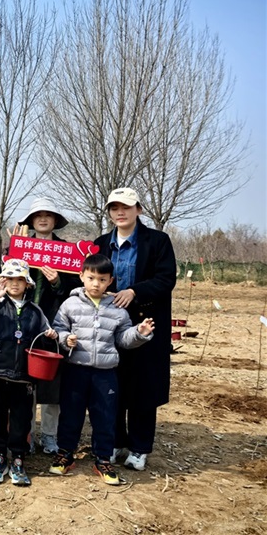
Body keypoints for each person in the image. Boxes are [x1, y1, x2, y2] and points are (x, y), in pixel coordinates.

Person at [49, 254, 155, 485]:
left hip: (105, 374)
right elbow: (58, 328)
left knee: (105, 417)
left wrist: (140, 333)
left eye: (102, 279)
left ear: (110, 281)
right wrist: (66, 339)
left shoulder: (117, 308)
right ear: (81, 277)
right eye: (91, 278)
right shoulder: (71, 303)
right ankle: (65, 454)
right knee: (70, 414)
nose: (96, 283)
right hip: (76, 370)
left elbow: (123, 339)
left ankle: (103, 459)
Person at [94, 187, 176, 472]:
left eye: (126, 207)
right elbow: (89, 277)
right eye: (114, 207)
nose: (120, 212)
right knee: (111, 384)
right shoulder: (101, 243)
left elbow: (166, 279)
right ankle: (115, 440)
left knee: (143, 387)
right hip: (109, 325)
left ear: (138, 209)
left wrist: (134, 291)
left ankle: (140, 447)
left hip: (145, 323)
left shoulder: (157, 242)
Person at [0, 259, 57, 487]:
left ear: (27, 284)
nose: (14, 284)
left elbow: (43, 336)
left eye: (19, 280)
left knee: (21, 418)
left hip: (24, 376)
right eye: (9, 279)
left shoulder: (36, 311)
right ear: (2, 281)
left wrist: (51, 338)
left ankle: (18, 457)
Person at [14, 198, 80, 455]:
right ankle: (27, 433)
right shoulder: (21, 247)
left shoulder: (67, 252)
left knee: (53, 385)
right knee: (25, 384)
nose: (42, 219)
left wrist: (56, 283)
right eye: (37, 215)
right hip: (25, 324)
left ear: (55, 221)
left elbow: (74, 291)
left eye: (48, 215)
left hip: (55, 326)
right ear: (31, 221)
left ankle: (50, 436)